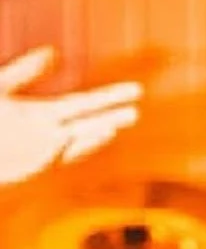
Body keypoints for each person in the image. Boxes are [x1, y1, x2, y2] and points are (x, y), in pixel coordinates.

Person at [0, 45, 141, 187]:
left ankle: (125, 106)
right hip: (37, 140)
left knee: (92, 120)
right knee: (89, 115)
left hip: (35, 148)